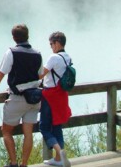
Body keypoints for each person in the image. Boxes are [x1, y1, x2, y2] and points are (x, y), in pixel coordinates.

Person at [0, 24, 42, 167]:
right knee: (28, 133)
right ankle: (24, 164)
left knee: (6, 131)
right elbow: (40, 75)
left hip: (18, 98)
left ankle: (13, 163)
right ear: (27, 36)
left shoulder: (11, 52)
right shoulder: (37, 53)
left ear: (14, 38)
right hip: (34, 98)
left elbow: (1, 73)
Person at [38, 32, 73, 167]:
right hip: (62, 95)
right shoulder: (67, 57)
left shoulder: (54, 57)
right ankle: (59, 159)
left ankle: (59, 151)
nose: (51, 47)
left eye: (51, 44)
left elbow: (41, 75)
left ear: (57, 43)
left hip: (50, 96)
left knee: (44, 127)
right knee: (57, 126)